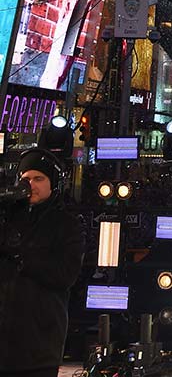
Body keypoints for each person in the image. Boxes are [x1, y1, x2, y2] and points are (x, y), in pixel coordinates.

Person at [0, 148, 85, 377]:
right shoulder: (7, 218)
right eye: (26, 179)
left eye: (39, 178)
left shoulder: (67, 225)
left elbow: (65, 275)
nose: (31, 185)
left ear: (53, 183)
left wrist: (21, 256)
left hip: (37, 350)